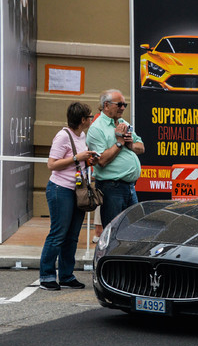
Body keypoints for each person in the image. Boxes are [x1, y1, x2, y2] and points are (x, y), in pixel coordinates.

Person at [39, 102, 98, 291]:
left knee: (72, 236)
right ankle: (47, 276)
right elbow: (52, 164)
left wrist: (89, 159)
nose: (91, 119)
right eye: (89, 116)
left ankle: (66, 275)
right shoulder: (63, 136)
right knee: (58, 234)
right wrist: (76, 158)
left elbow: (79, 160)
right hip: (60, 189)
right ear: (82, 120)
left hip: (77, 190)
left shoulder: (82, 135)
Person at [87, 89, 145, 227]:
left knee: (132, 229)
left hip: (130, 187)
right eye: (119, 104)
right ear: (106, 105)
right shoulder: (96, 128)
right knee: (113, 231)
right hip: (112, 188)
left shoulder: (123, 122)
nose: (123, 108)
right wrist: (119, 142)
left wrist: (130, 144)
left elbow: (141, 147)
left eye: (125, 104)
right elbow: (101, 160)